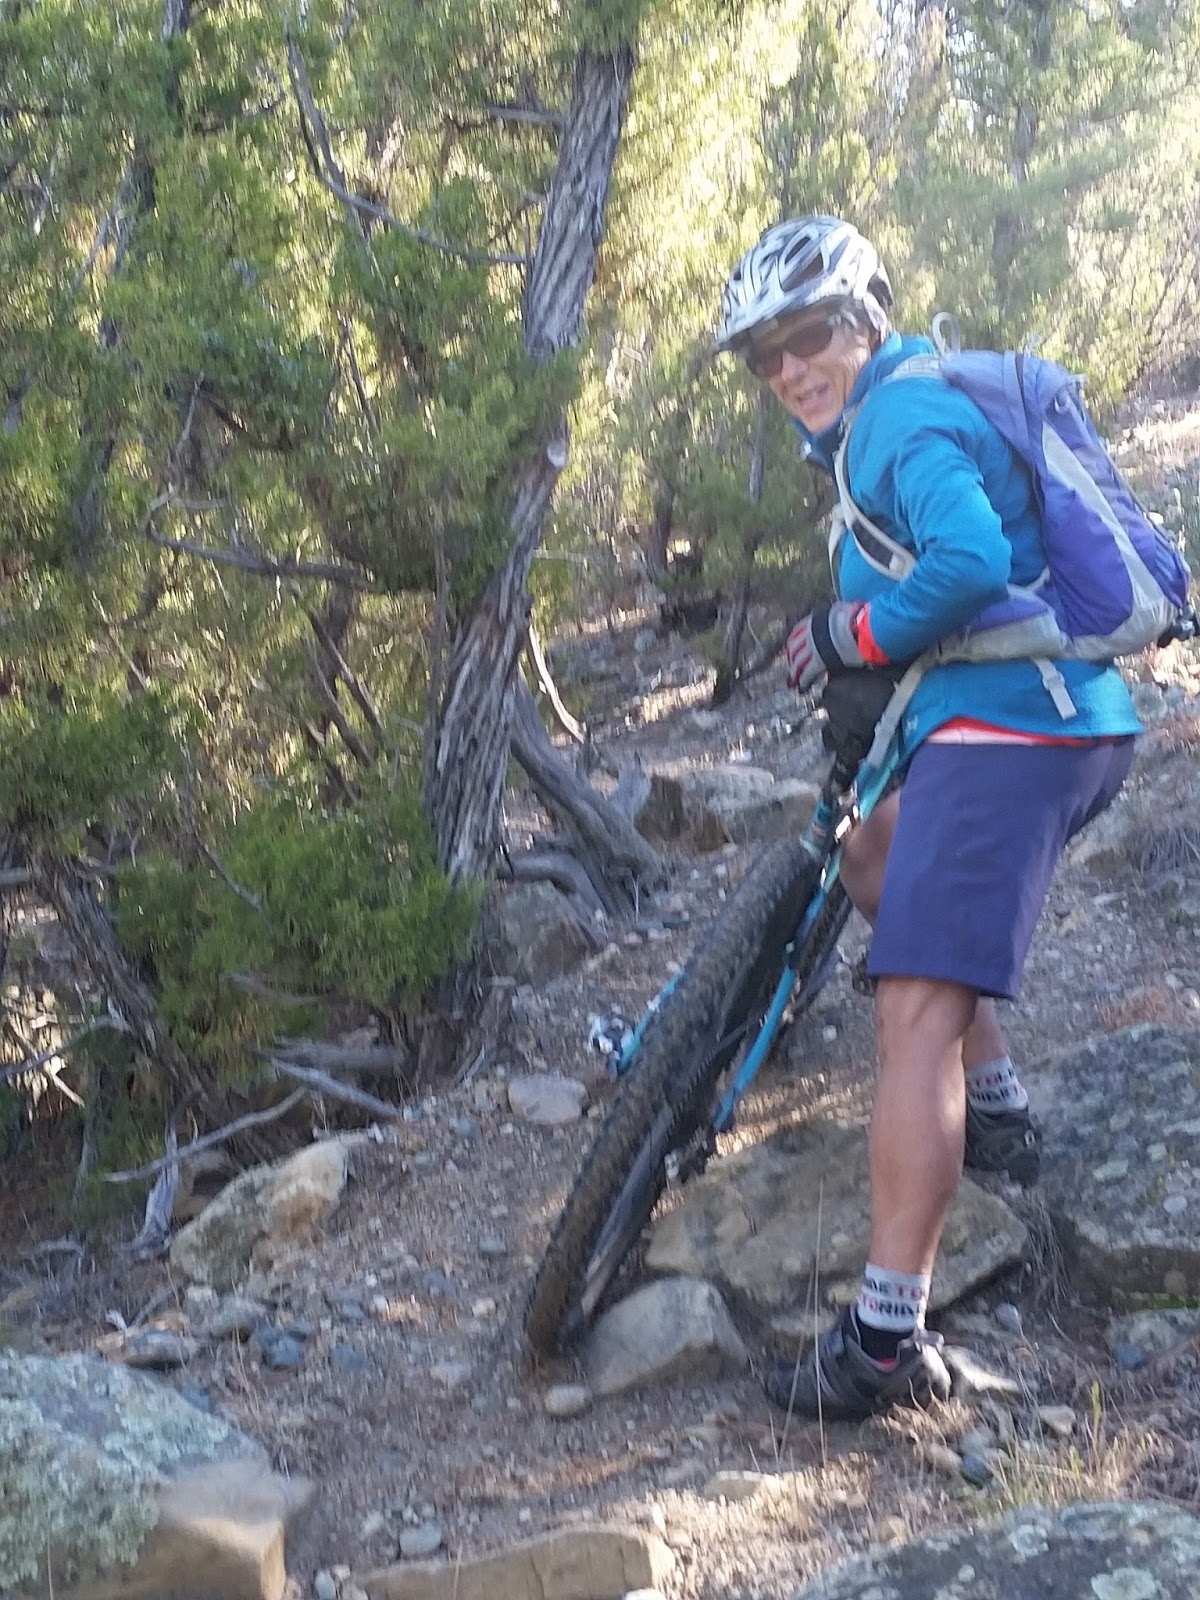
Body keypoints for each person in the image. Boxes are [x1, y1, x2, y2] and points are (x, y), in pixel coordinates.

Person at [714, 216, 1141, 1421]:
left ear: (868, 318)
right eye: (765, 354)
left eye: (810, 333)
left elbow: (965, 560)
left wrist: (853, 631)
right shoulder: (883, 420)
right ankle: (996, 1110)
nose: (790, 367)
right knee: (874, 851)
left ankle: (884, 1340)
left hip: (1020, 727)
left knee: (912, 1015)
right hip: (1026, 718)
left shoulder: (897, 417)